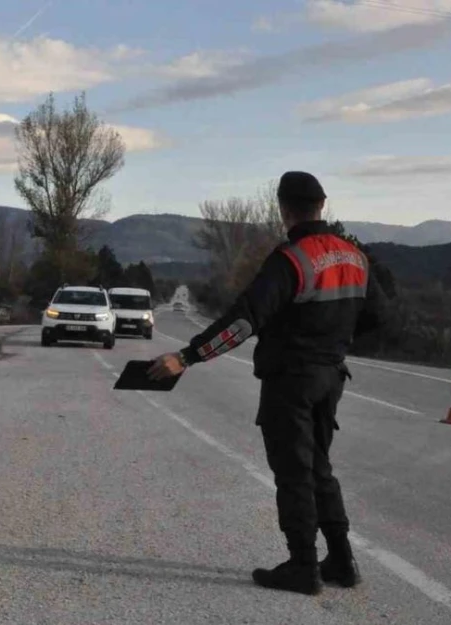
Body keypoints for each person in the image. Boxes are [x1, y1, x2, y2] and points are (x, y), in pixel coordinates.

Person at [147, 171, 388, 595]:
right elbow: (381, 317)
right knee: (320, 468)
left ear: (283, 209)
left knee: (294, 472)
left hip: (291, 379)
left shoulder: (292, 259)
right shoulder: (355, 256)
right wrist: (334, 341)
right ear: (322, 205)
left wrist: (186, 357)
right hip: (331, 375)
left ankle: (302, 567)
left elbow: (242, 323)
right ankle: (341, 561)